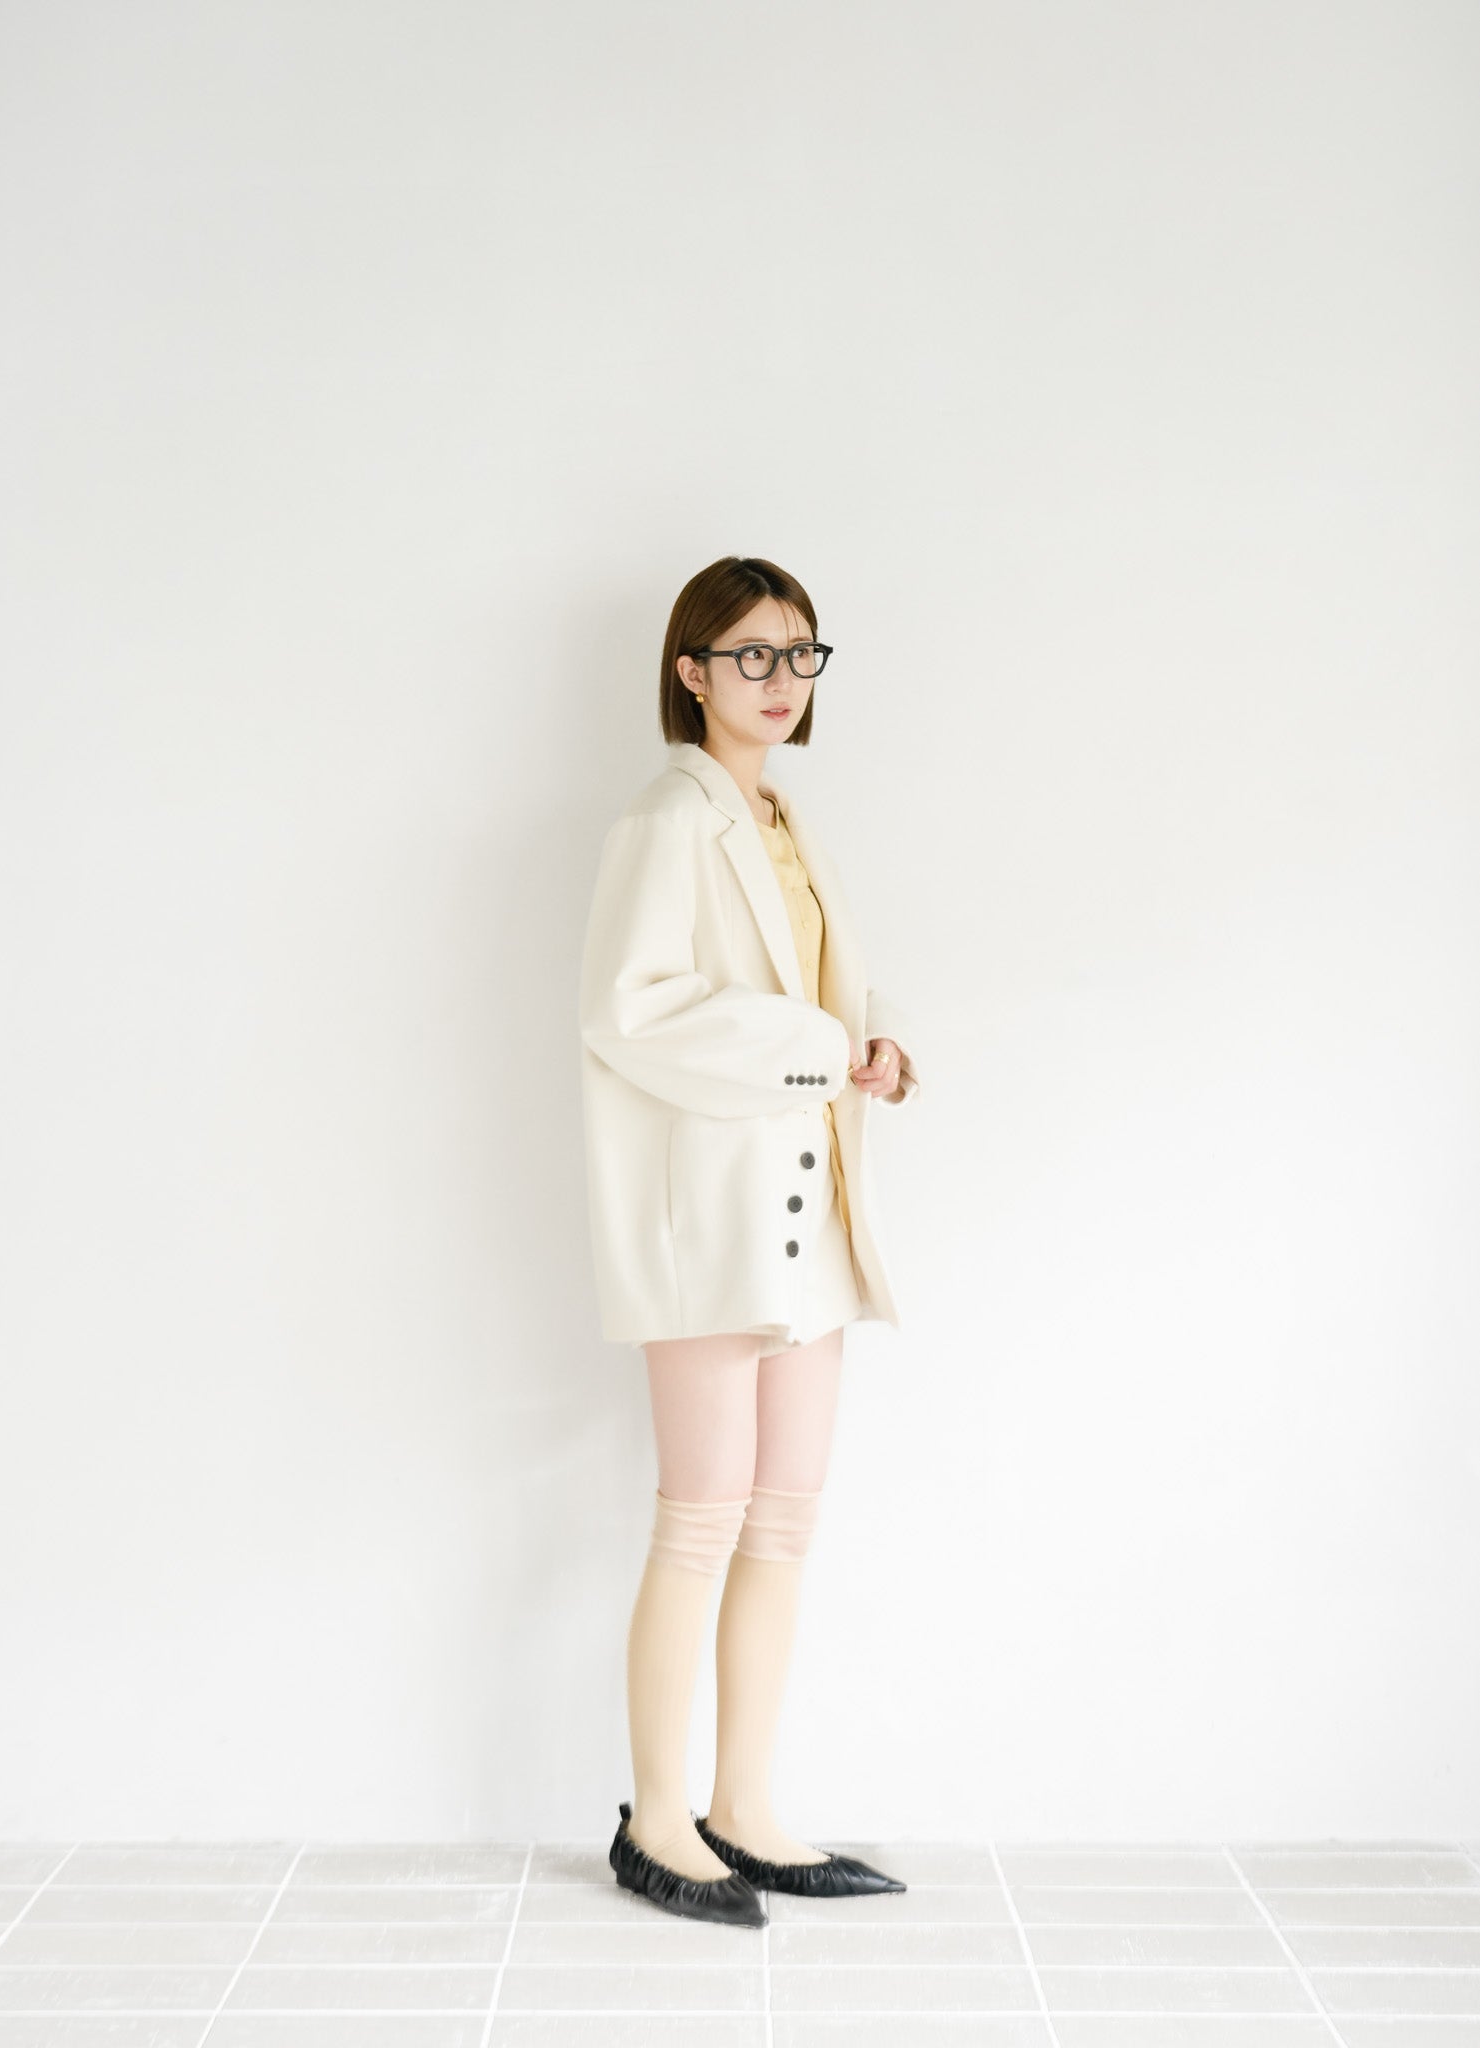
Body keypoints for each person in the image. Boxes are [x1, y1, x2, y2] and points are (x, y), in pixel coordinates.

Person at [577, 555, 922, 1929]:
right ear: (692, 672)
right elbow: (629, 1009)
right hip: (713, 1221)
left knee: (782, 1520)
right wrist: (820, 1047)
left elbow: (821, 983)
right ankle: (657, 1821)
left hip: (810, 1214)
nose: (780, 680)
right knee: (701, 1518)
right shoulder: (667, 820)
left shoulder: (782, 816)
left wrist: (876, 1039)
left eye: (798, 654)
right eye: (750, 656)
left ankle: (745, 1808)